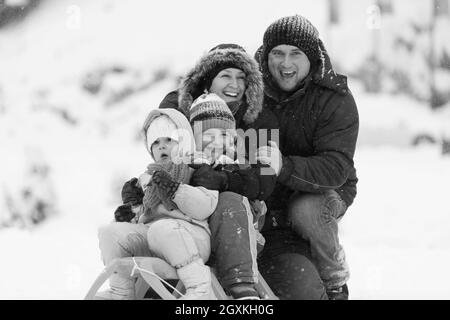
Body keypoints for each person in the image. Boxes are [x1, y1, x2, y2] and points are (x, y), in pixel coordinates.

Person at [159, 43, 328, 300]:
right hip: (185, 217)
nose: (235, 85)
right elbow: (162, 160)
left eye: (241, 78)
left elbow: (265, 179)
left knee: (302, 283)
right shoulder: (179, 113)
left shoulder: (260, 121)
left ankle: (243, 289)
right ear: (207, 80)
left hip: (252, 222)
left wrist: (224, 179)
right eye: (226, 76)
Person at [255, 15, 359, 300]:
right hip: (263, 201)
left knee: (307, 211)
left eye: (295, 54)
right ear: (266, 57)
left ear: (311, 57)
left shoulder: (333, 98)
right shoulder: (252, 88)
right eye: (277, 53)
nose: (285, 64)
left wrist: (284, 166)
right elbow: (201, 90)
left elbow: (335, 168)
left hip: (324, 192)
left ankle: (334, 281)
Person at [98, 107, 220, 300]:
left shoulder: (197, 168)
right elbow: (145, 216)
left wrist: (175, 189)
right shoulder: (148, 179)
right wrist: (131, 212)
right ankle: (121, 292)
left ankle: (200, 288)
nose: (162, 146)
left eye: (168, 140)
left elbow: (204, 205)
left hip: (191, 238)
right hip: (154, 240)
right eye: (155, 142)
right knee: (110, 232)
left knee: (161, 229)